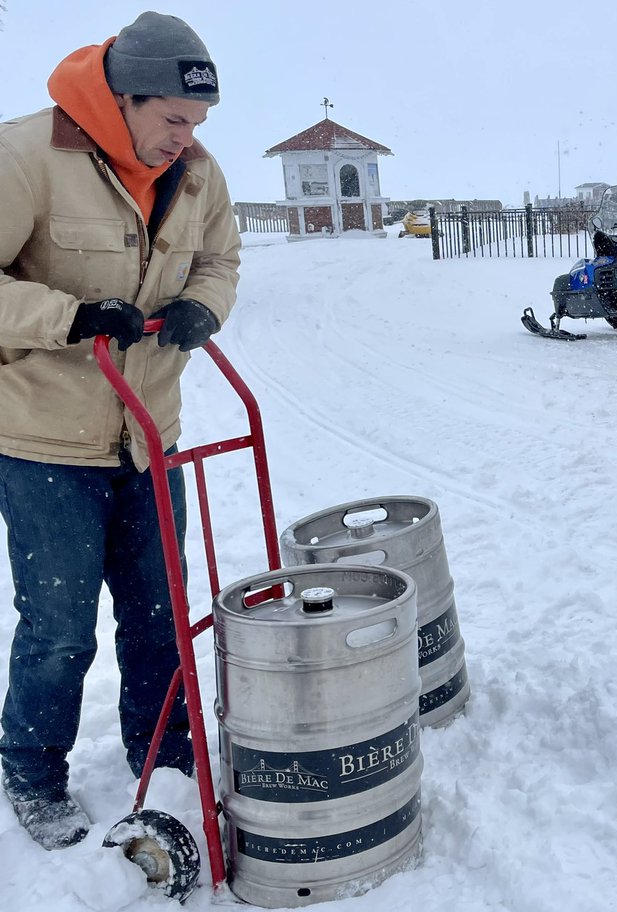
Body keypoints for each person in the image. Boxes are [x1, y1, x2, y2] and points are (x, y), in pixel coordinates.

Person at [0, 12, 239, 850]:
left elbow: (220, 260)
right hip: (44, 443)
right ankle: (30, 769)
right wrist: (67, 317)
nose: (186, 138)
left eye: (197, 123)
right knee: (60, 626)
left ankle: (163, 750)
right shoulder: (26, 156)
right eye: (172, 117)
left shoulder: (197, 175)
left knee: (157, 612)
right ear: (120, 98)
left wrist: (202, 306)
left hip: (149, 435)